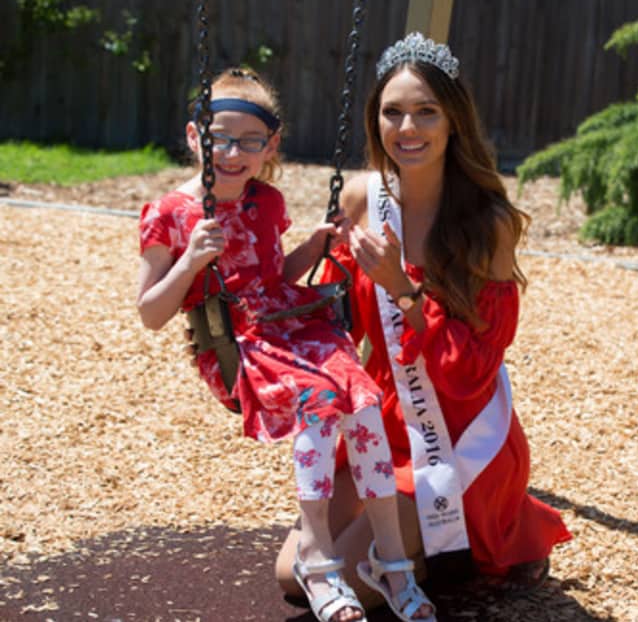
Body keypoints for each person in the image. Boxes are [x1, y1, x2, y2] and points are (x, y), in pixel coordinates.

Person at [274, 32, 572, 608]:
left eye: (425, 112)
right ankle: (419, 554)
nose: (407, 129)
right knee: (295, 575)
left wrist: (405, 292)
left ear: (453, 121)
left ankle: (463, 541)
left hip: (456, 434)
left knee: (357, 584)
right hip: (380, 422)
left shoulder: (488, 226)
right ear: (376, 121)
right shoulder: (363, 199)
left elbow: (472, 372)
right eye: (393, 113)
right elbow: (335, 330)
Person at [137, 67, 435, 622]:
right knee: (321, 406)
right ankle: (317, 558)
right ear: (193, 136)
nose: (232, 153)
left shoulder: (267, 202)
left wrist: (312, 247)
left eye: (250, 141)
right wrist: (189, 260)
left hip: (293, 326)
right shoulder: (171, 214)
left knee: (364, 402)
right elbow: (150, 312)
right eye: (219, 137)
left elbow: (274, 280)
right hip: (237, 343)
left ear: (270, 146)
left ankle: (391, 563)